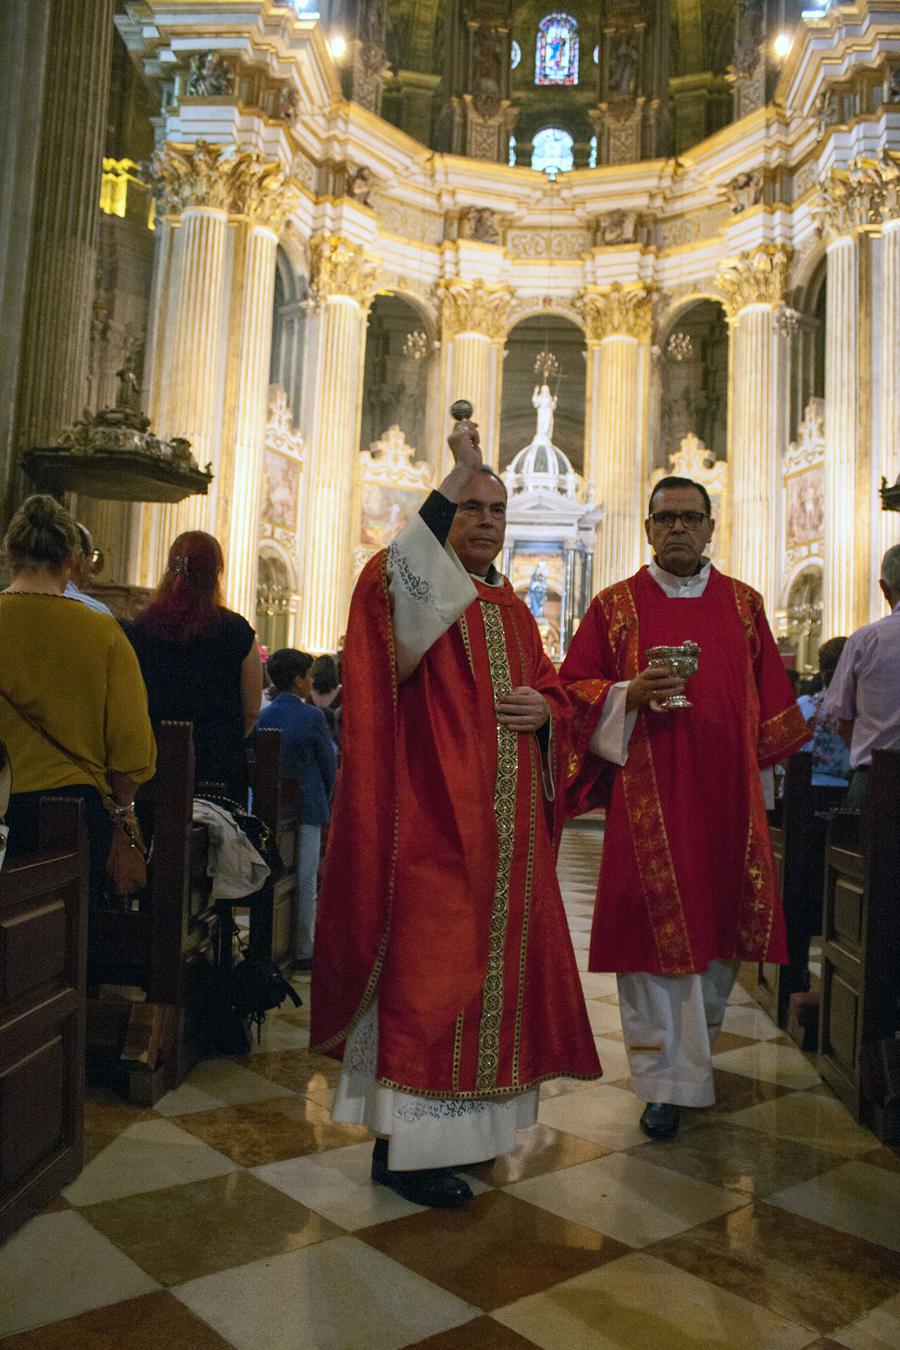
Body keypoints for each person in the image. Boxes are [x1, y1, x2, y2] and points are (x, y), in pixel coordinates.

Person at [310, 418, 600, 1209]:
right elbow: (388, 591)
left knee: (488, 991)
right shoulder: (419, 594)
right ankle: (405, 1153)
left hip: (507, 847)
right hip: (431, 835)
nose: (486, 521)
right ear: (446, 516)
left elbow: (553, 690)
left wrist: (547, 712)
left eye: (497, 511)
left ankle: (465, 1141)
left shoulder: (513, 611)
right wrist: (458, 471)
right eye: (471, 508)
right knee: (428, 986)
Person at [560, 476, 808, 1141]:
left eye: (690, 517)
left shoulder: (745, 605)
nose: (677, 528)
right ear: (647, 529)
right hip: (647, 806)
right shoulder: (614, 607)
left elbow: (774, 709)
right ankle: (664, 1085)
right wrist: (627, 694)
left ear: (709, 527)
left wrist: (762, 789)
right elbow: (571, 694)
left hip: (727, 801)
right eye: (665, 518)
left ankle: (693, 1064)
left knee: (718, 933)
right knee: (651, 942)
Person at [0, 495, 156, 900]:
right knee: (64, 948)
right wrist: (123, 807)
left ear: (8, 552)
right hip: (72, 820)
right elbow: (131, 747)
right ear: (72, 558)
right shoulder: (102, 632)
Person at [127, 532, 262, 805]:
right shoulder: (237, 631)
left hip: (152, 765)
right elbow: (250, 711)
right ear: (216, 573)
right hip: (217, 768)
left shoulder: (138, 629)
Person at [256, 648, 337, 970]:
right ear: (297, 680)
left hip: (270, 807)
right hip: (307, 805)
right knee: (305, 880)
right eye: (307, 675)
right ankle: (303, 950)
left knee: (275, 877)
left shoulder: (264, 714)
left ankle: (270, 947)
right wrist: (325, 797)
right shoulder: (313, 716)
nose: (310, 681)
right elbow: (328, 764)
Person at [824, 543, 900, 809]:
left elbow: (841, 720)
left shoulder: (865, 640)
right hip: (877, 779)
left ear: (884, 588)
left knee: (872, 851)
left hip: (877, 783)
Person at [797, 636, 850, 789]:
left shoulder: (803, 704)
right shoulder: (858, 707)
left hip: (802, 789)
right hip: (844, 791)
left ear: (821, 670)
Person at [65, 522, 113, 616]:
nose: (91, 565)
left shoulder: (29, 599)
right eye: (91, 556)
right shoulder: (97, 613)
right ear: (81, 560)